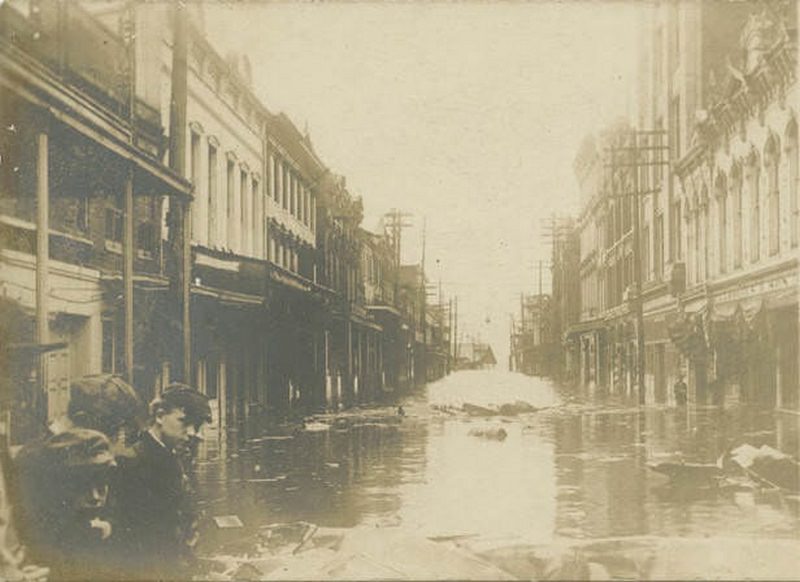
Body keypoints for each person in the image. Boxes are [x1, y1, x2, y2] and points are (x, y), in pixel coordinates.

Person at [111, 384, 211, 579]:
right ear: (159, 415)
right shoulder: (132, 463)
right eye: (184, 421)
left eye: (197, 425)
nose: (193, 432)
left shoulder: (173, 457)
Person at [14, 428, 117, 580]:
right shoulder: (32, 549)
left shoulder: (98, 534)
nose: (95, 497)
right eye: (81, 485)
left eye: (102, 484)